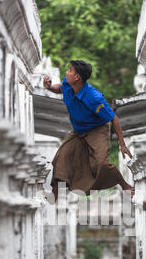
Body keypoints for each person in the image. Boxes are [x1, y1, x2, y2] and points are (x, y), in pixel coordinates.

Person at [42, 59, 135, 204]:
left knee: (101, 164)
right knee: (61, 157)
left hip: (97, 129)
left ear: (77, 77)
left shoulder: (94, 97)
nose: (67, 72)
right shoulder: (67, 84)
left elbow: (113, 118)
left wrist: (122, 145)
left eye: (70, 70)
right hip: (78, 130)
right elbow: (59, 88)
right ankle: (54, 195)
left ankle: (125, 186)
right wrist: (49, 87)